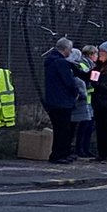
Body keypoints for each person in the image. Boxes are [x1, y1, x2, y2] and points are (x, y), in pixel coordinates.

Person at [43, 36, 78, 164]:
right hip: (63, 101)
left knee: (59, 129)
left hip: (53, 100)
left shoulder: (50, 61)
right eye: (70, 49)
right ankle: (59, 154)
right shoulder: (61, 63)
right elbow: (68, 81)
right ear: (66, 49)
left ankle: (61, 153)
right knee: (63, 130)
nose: (71, 52)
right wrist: (75, 92)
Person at [75, 45, 98, 157]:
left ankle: (85, 148)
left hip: (90, 99)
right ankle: (80, 149)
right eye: (95, 54)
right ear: (90, 54)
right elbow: (87, 79)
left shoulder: (92, 65)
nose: (96, 57)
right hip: (85, 99)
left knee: (88, 126)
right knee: (84, 126)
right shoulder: (84, 65)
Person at [67, 49, 91, 155]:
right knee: (78, 126)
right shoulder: (77, 66)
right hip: (81, 99)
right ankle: (75, 149)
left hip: (82, 99)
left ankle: (73, 148)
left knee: (75, 127)